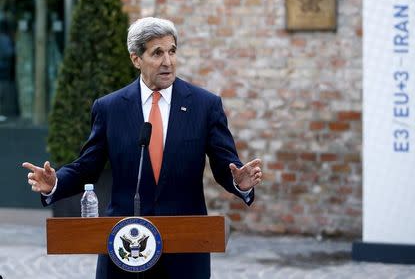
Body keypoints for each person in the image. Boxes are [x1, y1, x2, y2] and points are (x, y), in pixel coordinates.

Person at [22, 17, 262, 279]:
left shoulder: (205, 105)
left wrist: (240, 181)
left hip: (184, 245)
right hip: (124, 244)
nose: (168, 62)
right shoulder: (110, 108)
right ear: (136, 59)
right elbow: (87, 167)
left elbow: (224, 164)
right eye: (157, 53)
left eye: (171, 51)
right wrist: (56, 183)